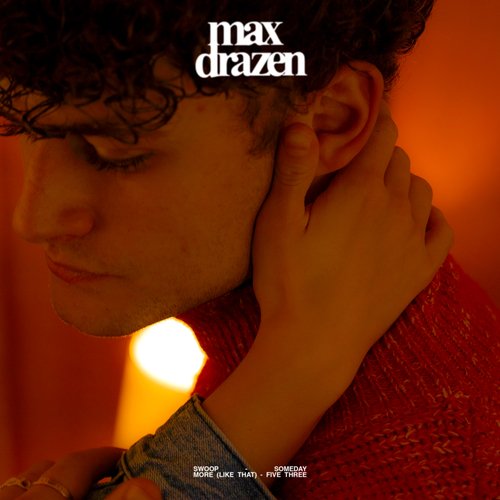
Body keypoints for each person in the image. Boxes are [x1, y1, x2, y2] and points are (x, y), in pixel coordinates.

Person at [0, 0, 498, 498]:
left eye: (115, 153)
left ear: (329, 120)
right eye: (26, 128)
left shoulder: (435, 464)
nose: (32, 219)